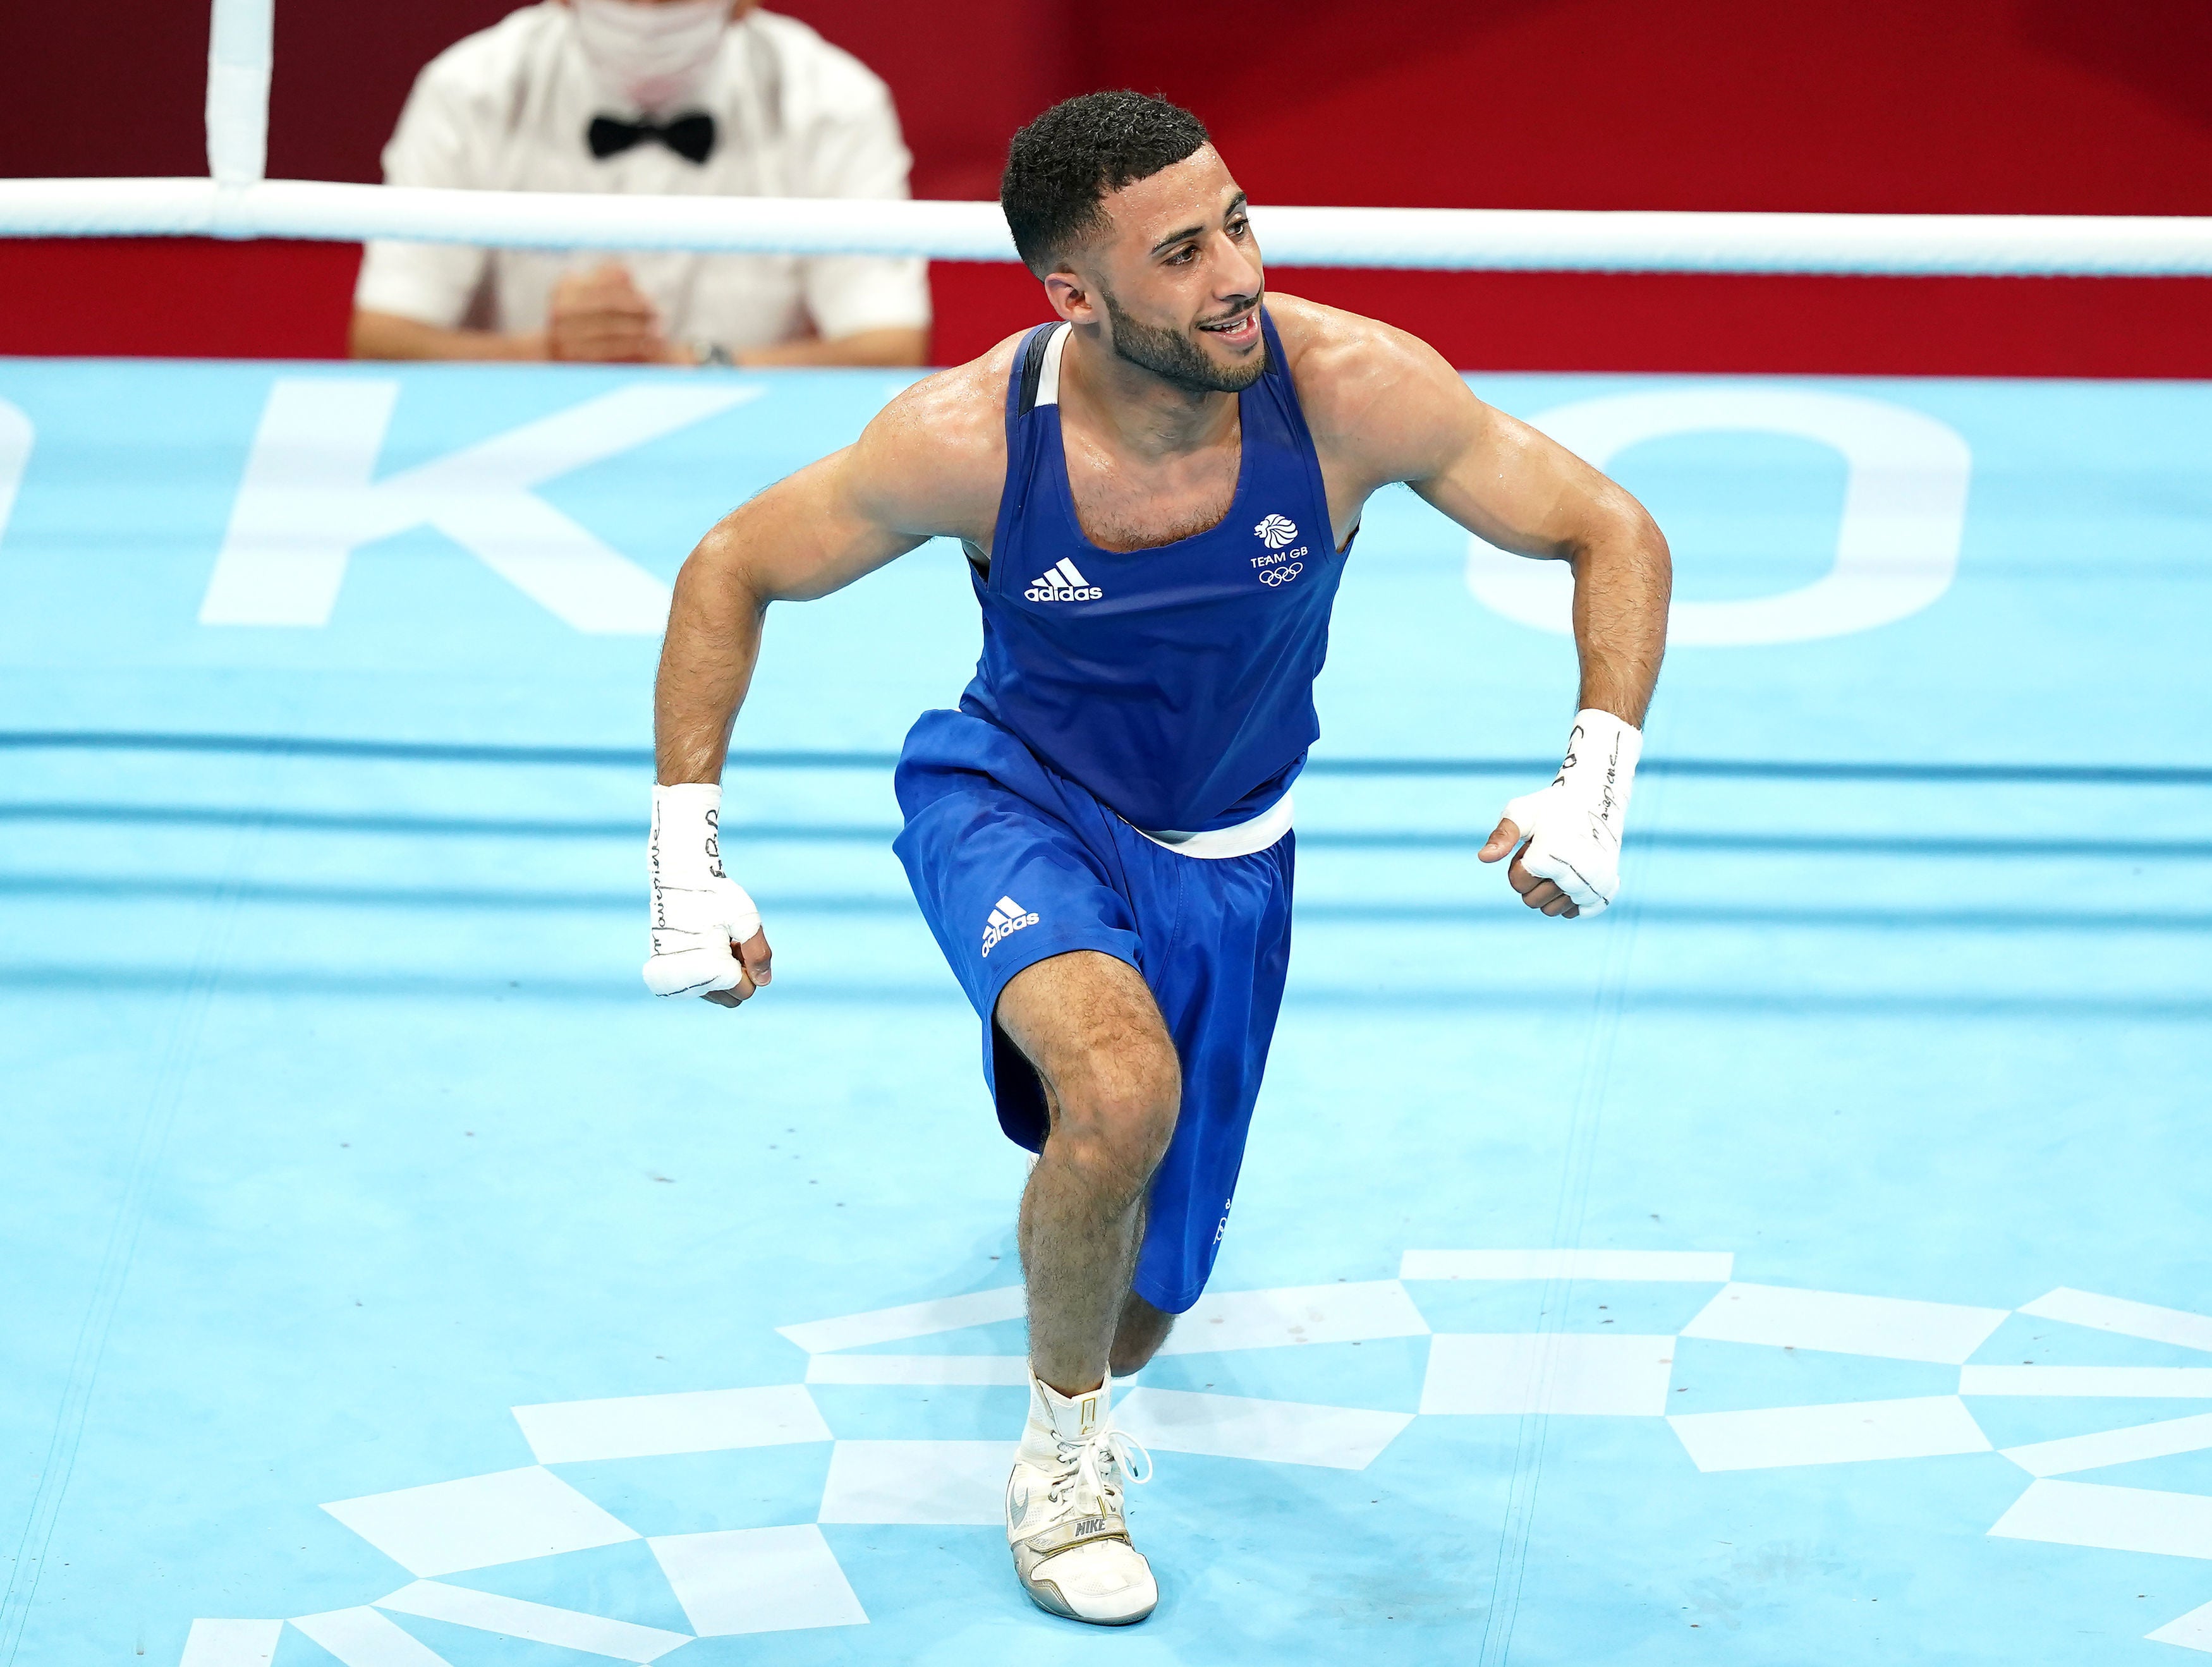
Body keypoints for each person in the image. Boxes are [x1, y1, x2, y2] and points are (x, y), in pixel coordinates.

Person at [644, 92, 1670, 1625]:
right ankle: (1061, 1461)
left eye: (1239, 222)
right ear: (1076, 296)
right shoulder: (968, 439)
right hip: (1013, 795)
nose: (1237, 271)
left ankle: (1090, 1293)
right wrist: (687, 857)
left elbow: (1612, 527)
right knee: (1122, 1094)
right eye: (1181, 253)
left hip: (1232, 858)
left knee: (1140, 1303)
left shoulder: (1349, 391)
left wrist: (1595, 775)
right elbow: (734, 563)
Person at [350, 0, 929, 368]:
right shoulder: (467, 90)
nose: (648, 12)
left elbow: (889, 347)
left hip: (746, 458)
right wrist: (540, 353)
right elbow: (381, 339)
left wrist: (700, 364)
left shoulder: (836, 103)